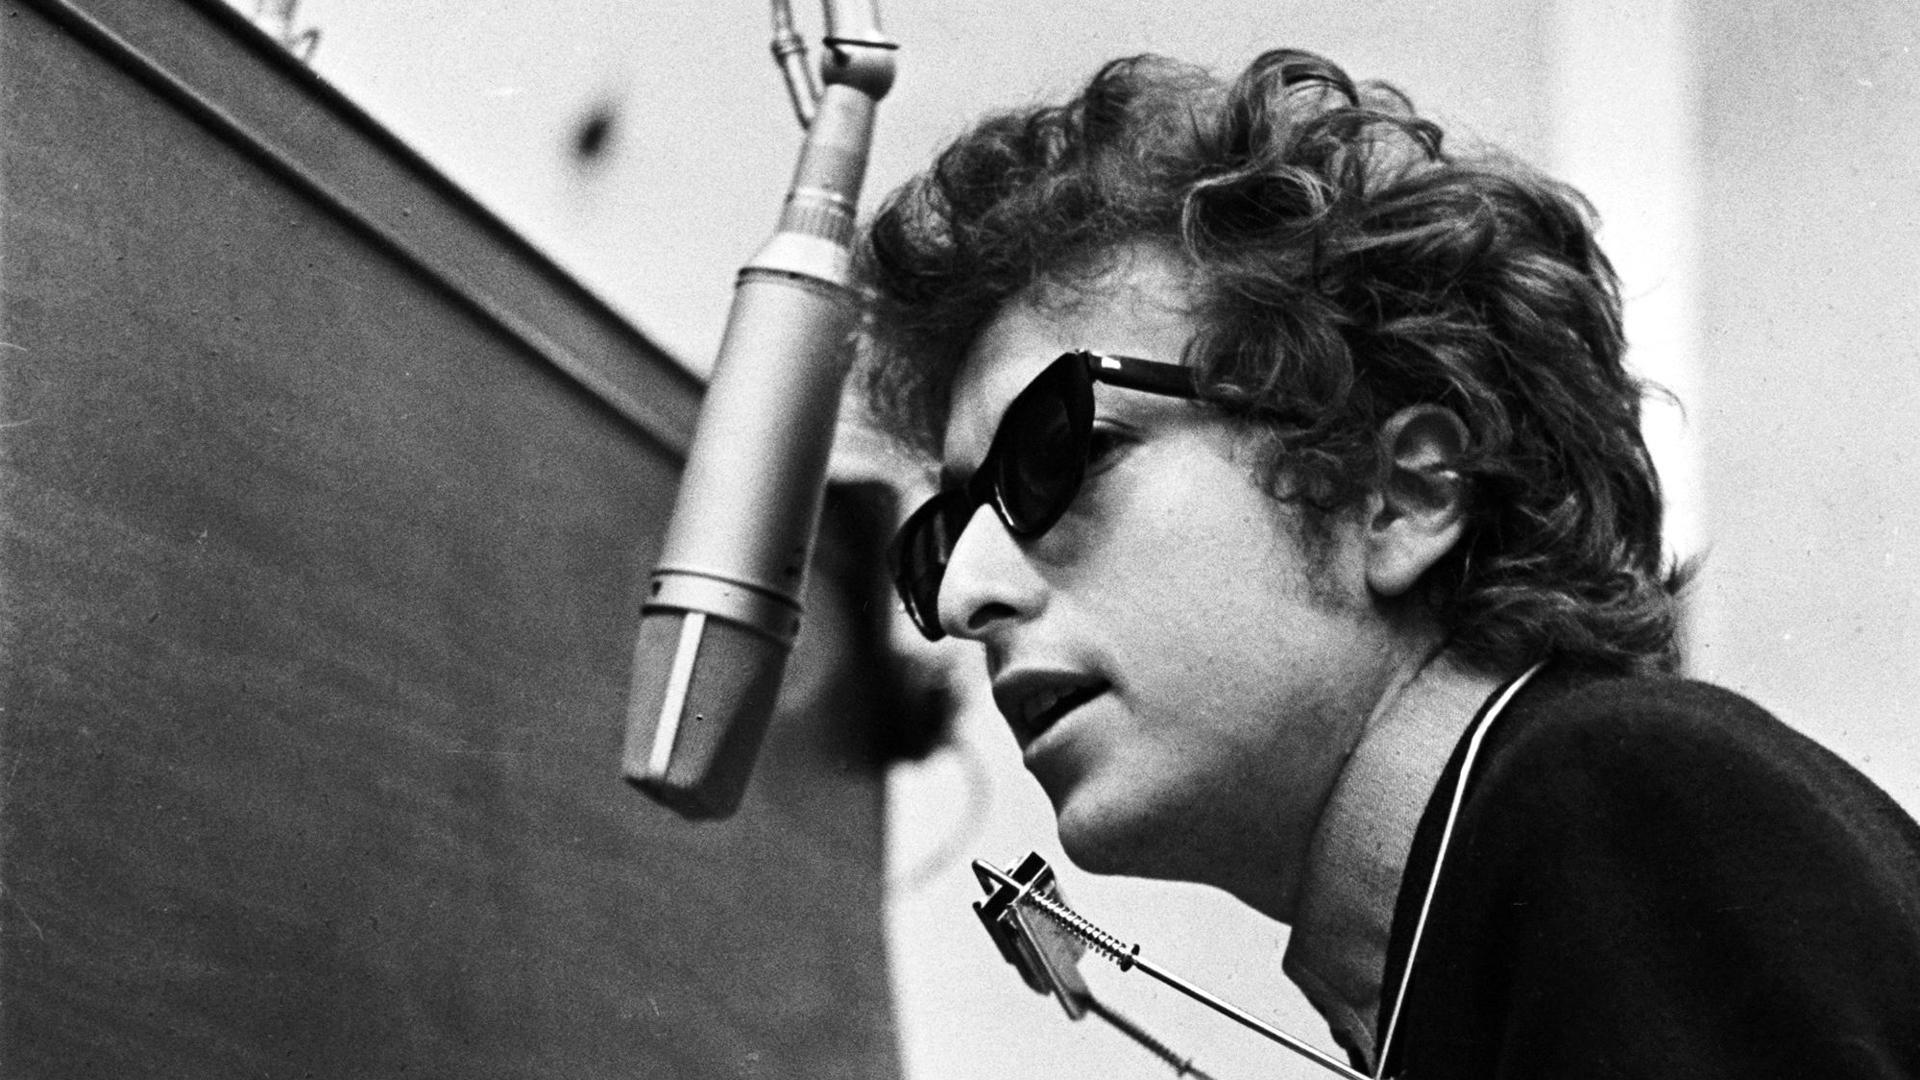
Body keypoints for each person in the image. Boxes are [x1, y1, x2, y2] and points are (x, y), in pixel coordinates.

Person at [855, 48, 1920, 1079]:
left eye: (1063, 455)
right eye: (943, 533)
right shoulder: (1519, 875)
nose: (962, 594)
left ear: (1406, 495)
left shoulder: (1618, 801)